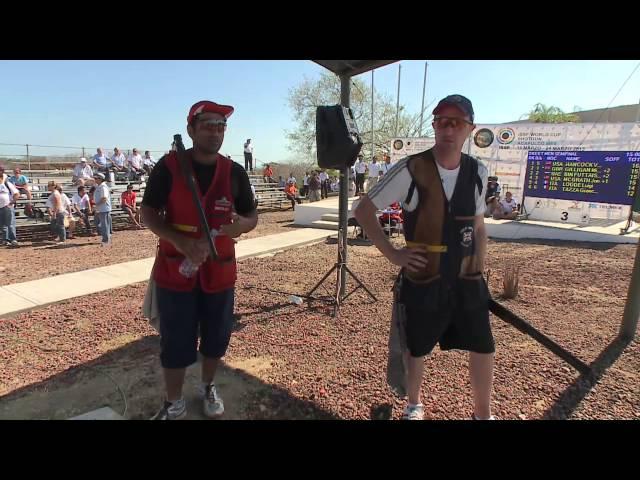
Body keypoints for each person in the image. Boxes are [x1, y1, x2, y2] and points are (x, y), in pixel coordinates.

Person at [354, 94, 494, 421]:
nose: (447, 128)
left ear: (469, 129)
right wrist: (393, 254)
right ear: (434, 126)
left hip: (467, 278)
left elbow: (478, 226)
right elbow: (362, 211)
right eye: (440, 121)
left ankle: (483, 414)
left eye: (455, 122)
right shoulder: (411, 169)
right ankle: (413, 404)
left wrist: (480, 269)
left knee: (483, 345)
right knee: (416, 347)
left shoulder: (478, 172)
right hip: (424, 275)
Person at [141, 100, 258, 420]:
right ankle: (173, 402)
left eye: (221, 126)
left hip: (219, 270)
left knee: (217, 337)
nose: (215, 132)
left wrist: (231, 228)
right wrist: (181, 241)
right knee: (176, 340)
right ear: (191, 129)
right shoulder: (168, 166)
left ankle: (208, 385)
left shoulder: (234, 172)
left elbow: (251, 217)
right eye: (207, 125)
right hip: (175, 269)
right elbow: (147, 212)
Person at [0, 170, 20, 247]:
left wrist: (11, 203)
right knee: (2, 225)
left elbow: (17, 193)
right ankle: (5, 240)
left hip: (7, 206)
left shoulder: (7, 184)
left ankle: (13, 239)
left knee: (10, 224)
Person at [93, 172, 112, 246]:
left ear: (100, 179)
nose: (95, 180)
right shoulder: (100, 186)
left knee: (104, 224)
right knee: (103, 224)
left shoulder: (103, 187)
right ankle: (106, 238)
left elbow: (104, 198)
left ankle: (106, 240)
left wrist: (97, 205)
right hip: (101, 208)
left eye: (96, 178)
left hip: (104, 208)